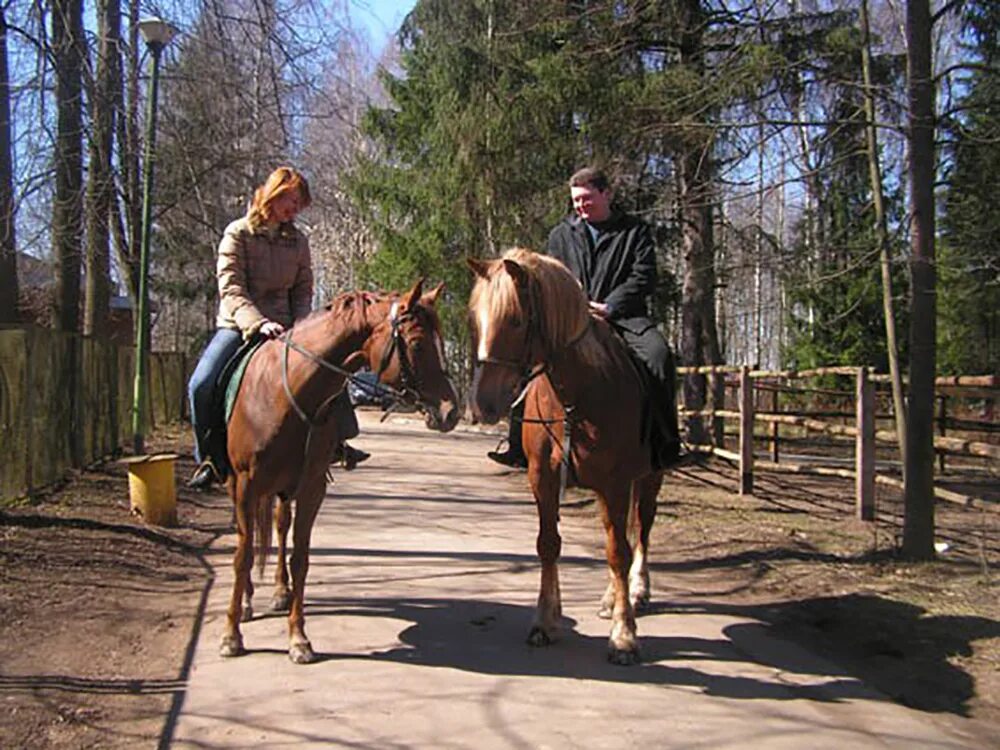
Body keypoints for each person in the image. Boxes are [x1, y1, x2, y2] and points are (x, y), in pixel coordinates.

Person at [487, 166, 681, 470]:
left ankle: (665, 443)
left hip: (624, 318)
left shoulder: (635, 231)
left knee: (659, 356)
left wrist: (611, 305)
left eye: (587, 199)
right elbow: (553, 278)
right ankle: (518, 445)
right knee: (531, 359)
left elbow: (644, 275)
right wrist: (575, 304)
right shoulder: (561, 235)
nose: (581, 206)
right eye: (576, 201)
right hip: (572, 321)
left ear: (607, 194)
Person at [186, 166, 368, 490]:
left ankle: (338, 442)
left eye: (300, 203)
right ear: (274, 193)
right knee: (200, 384)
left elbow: (303, 289)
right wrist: (257, 323)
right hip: (239, 324)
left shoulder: (298, 242)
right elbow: (231, 288)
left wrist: (299, 327)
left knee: (331, 365)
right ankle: (210, 460)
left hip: (286, 326)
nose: (295, 208)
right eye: (291, 199)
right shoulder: (237, 233)